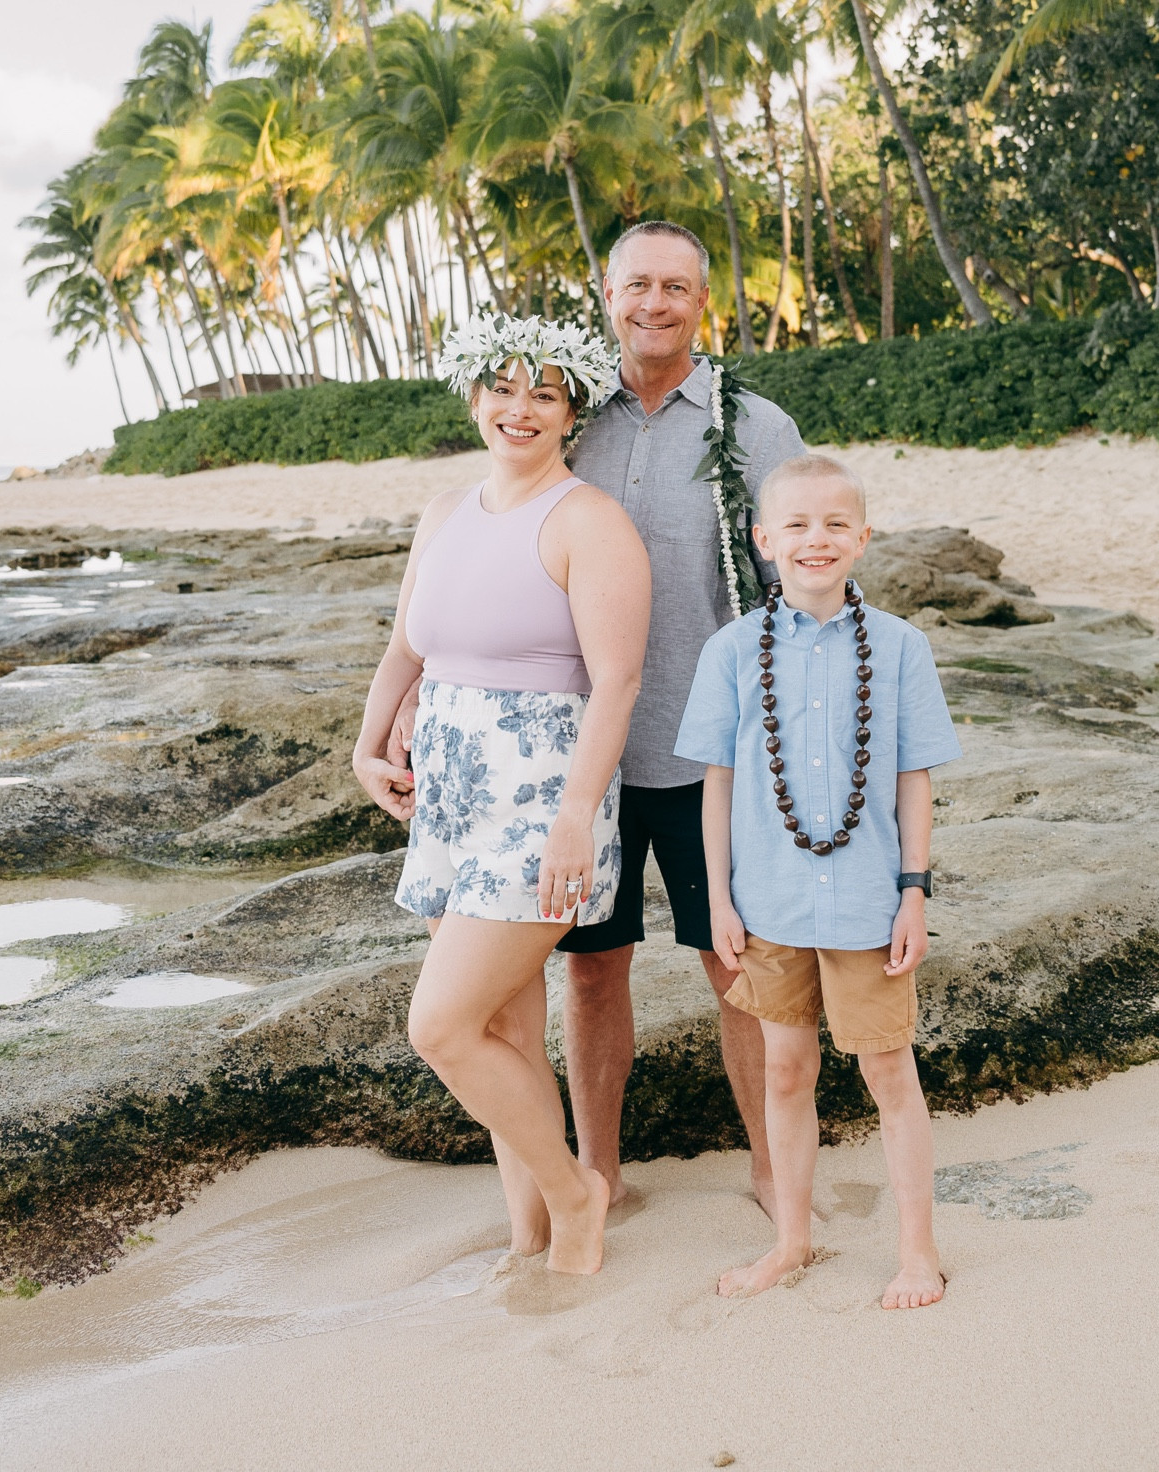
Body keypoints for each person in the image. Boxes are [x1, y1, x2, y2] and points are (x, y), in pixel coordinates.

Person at [384, 222, 803, 1210]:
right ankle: (598, 1171)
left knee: (731, 961)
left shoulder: (758, 427)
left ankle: (769, 1168)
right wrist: (407, 693)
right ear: (606, 295)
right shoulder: (569, 415)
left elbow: (804, 587)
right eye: (635, 285)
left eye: (676, 286)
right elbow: (483, 571)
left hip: (711, 756)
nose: (654, 302)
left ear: (705, 300)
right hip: (573, 771)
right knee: (591, 973)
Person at [353, 313, 650, 1277]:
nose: (519, 409)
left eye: (546, 394)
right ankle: (528, 1237)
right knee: (500, 1033)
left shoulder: (587, 521)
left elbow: (618, 683)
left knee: (438, 1027)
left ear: (572, 412)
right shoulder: (443, 510)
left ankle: (577, 1199)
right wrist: (367, 745)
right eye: (505, 388)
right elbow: (409, 645)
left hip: (539, 805)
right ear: (474, 393)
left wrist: (574, 819)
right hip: (447, 796)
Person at [675, 453, 962, 1307]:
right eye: (796, 525)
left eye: (835, 524)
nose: (815, 539)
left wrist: (913, 888)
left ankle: (918, 1252)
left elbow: (914, 777)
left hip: (870, 902)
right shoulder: (730, 651)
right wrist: (719, 900)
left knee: (887, 1074)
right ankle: (791, 1241)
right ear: (763, 540)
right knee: (786, 1070)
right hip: (769, 901)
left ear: (862, 539)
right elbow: (716, 782)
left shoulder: (901, 647)